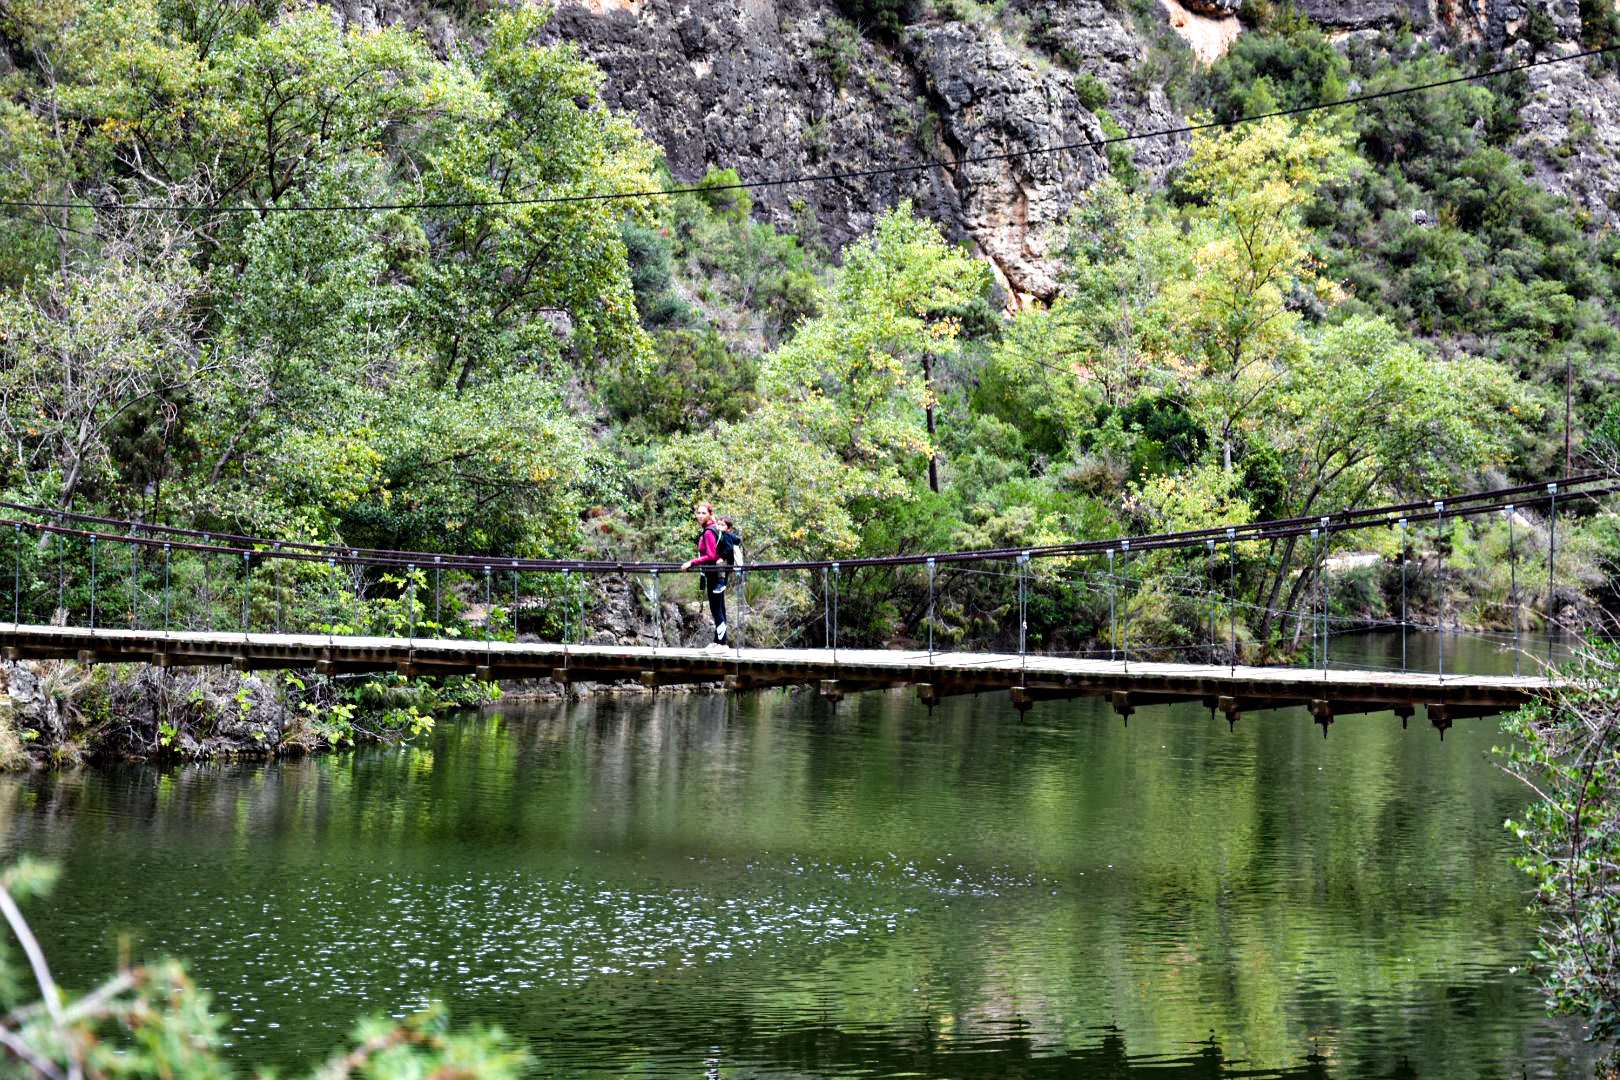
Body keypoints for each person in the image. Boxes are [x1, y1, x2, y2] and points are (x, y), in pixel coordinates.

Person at [681, 502, 729, 648]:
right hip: (718, 573)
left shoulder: (708, 532)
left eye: (703, 513)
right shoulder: (713, 528)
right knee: (720, 608)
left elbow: (711, 555)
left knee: (716, 609)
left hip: (713, 573)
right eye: (698, 513)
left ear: (709, 514)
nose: (700, 516)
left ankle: (721, 644)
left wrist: (692, 562)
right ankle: (719, 641)